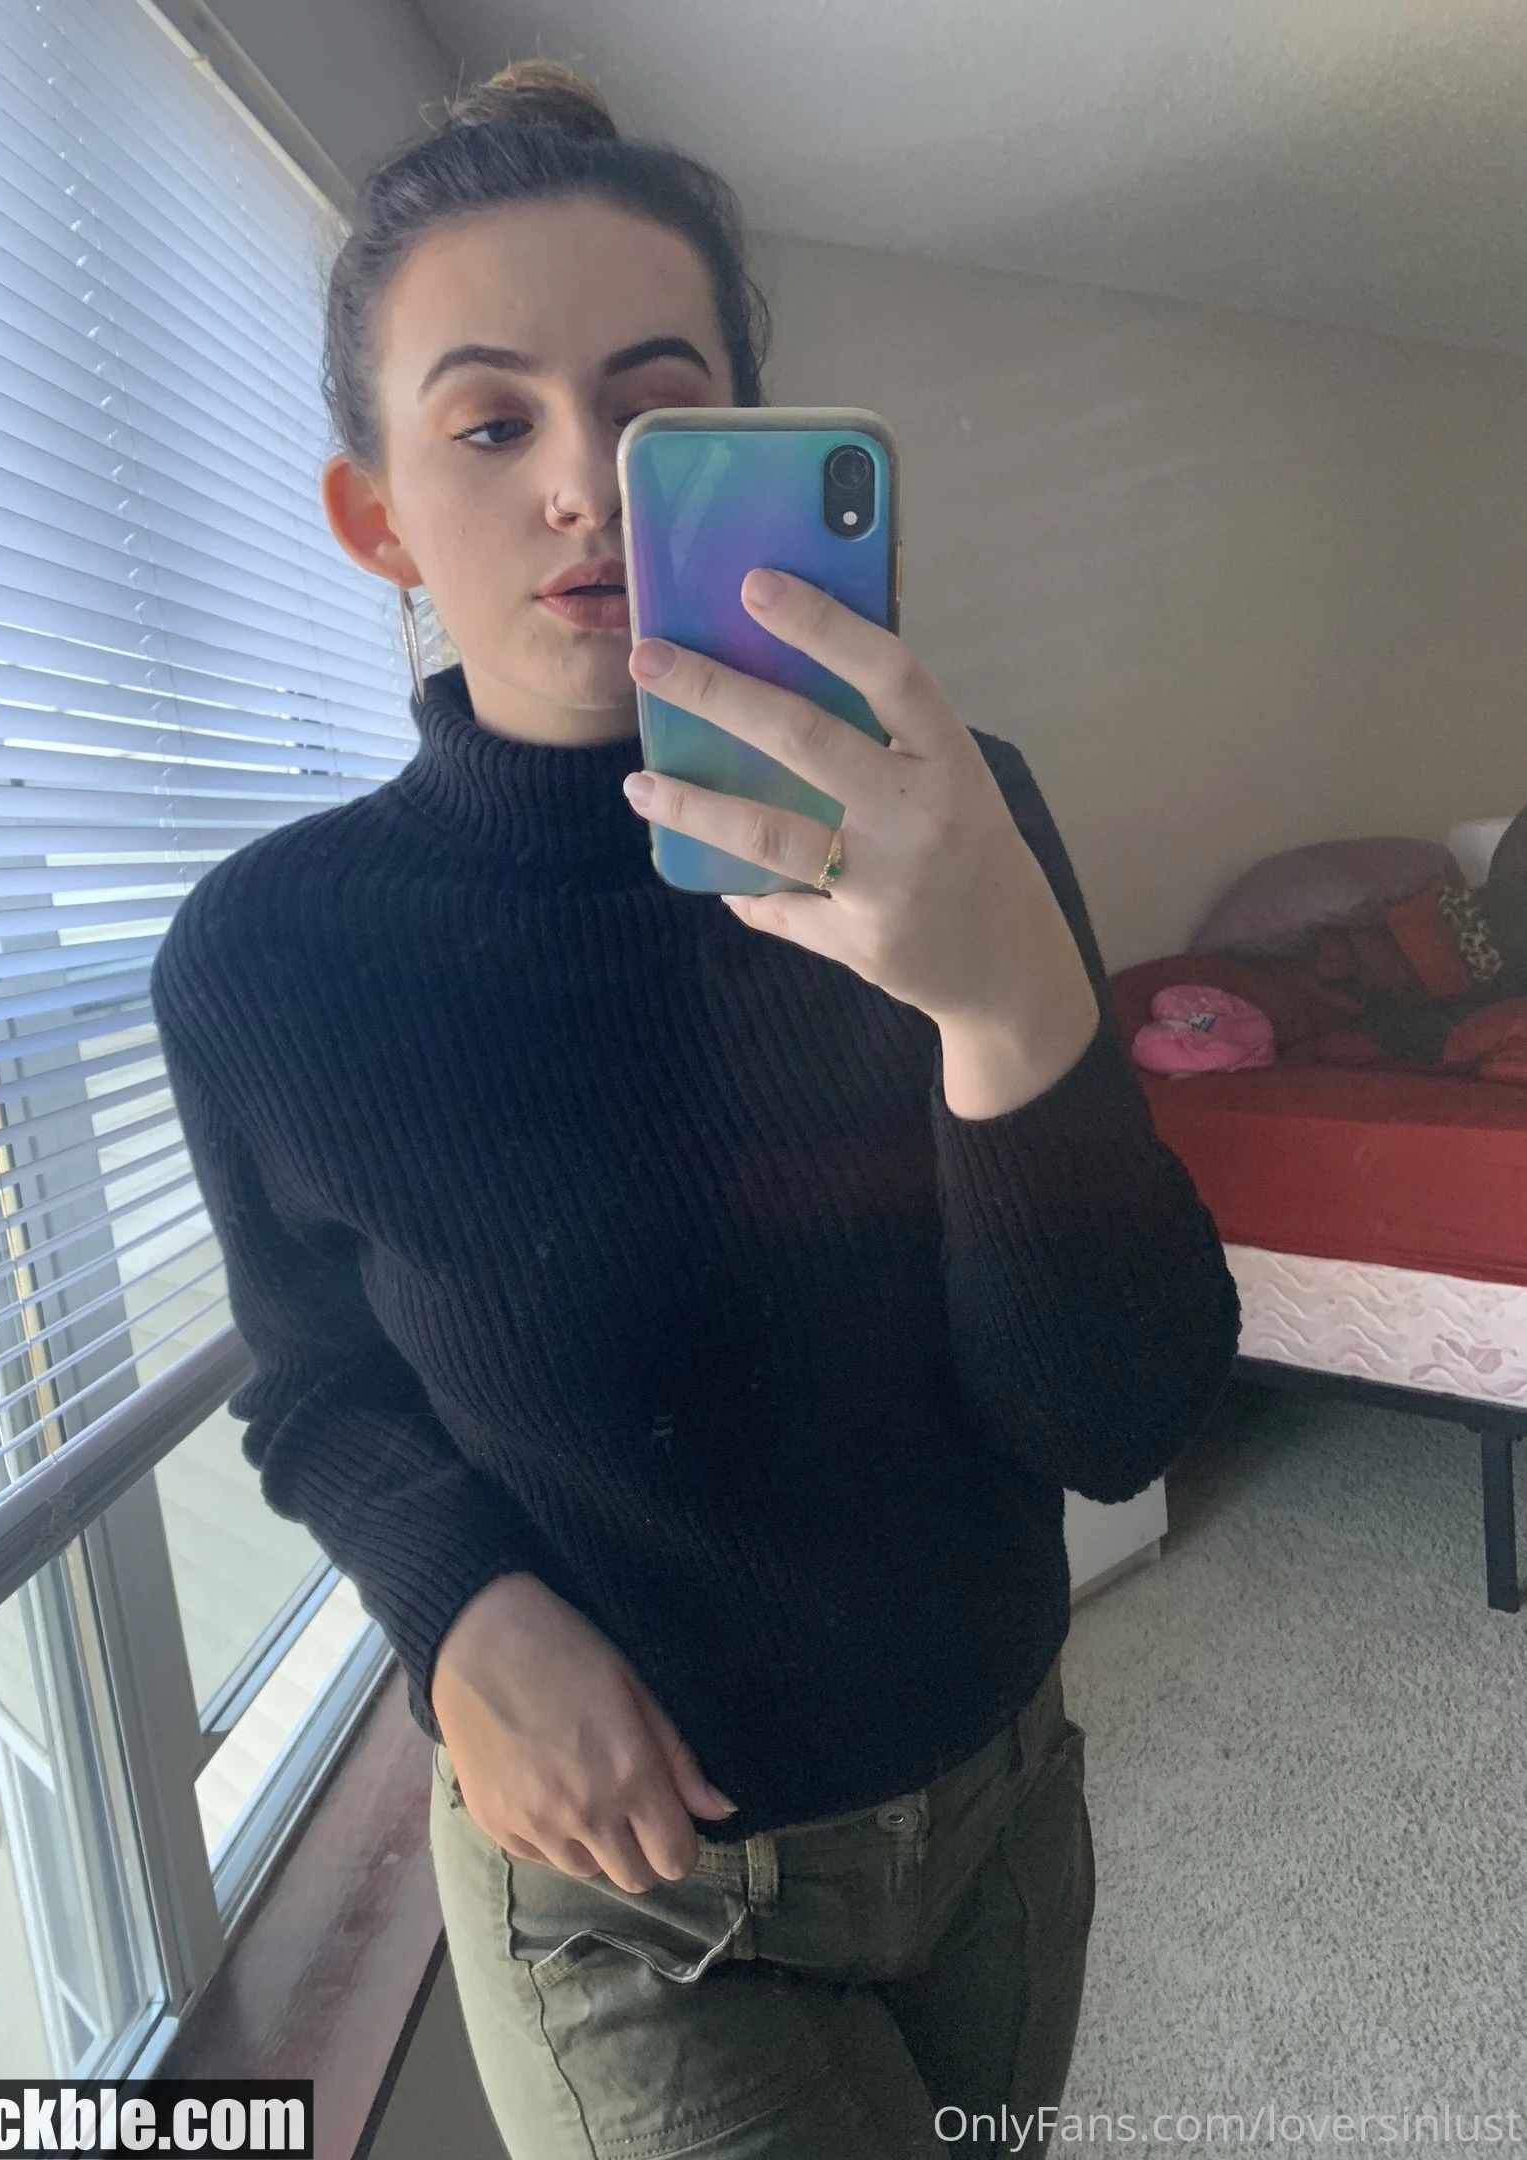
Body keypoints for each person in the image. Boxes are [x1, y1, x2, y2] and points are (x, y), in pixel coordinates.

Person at [149, 56, 1241, 2160]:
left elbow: (1120, 1420)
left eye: (658, 410)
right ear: (376, 516)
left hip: (1003, 1803)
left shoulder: (959, 825)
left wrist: (1003, 1002)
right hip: (632, 1918)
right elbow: (317, 1390)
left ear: (746, 442)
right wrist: (458, 1611)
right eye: (491, 424)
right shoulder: (271, 959)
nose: (586, 483)